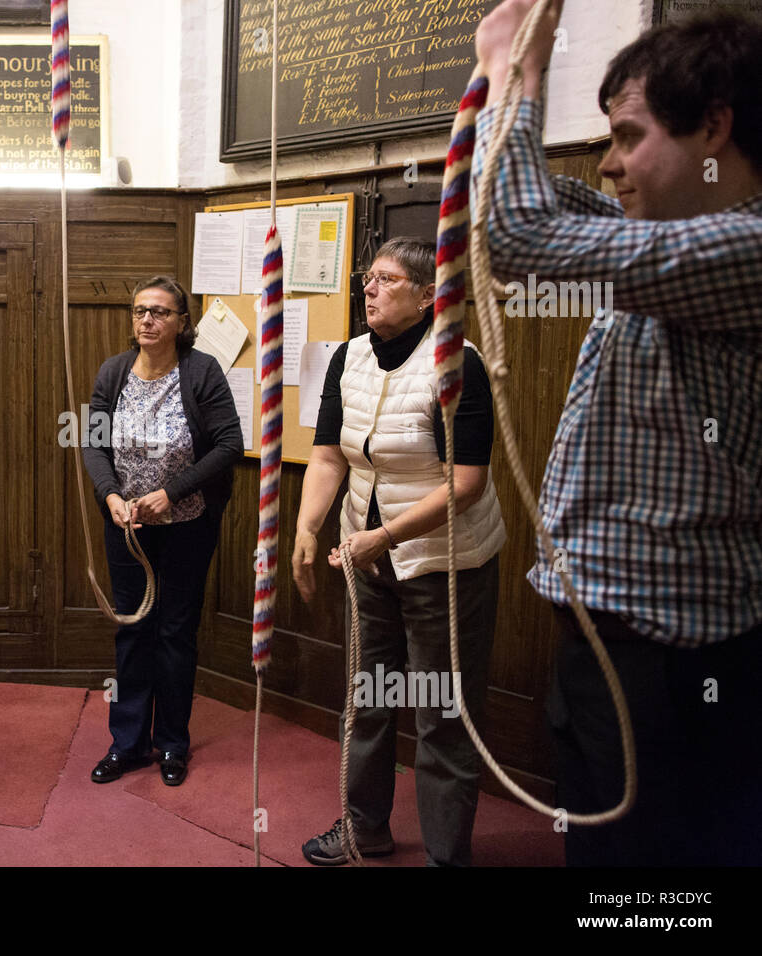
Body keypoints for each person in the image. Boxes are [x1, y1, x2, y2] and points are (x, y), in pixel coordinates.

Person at [474, 1, 762, 865]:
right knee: (610, 876)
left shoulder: (745, 251)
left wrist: (516, 73)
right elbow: (543, 220)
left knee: (662, 891)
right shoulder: (672, 240)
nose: (608, 163)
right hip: (612, 652)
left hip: (677, 667)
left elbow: (519, 234)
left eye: (629, 136)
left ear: (714, 128)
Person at [292, 237, 506, 866]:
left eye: (386, 280)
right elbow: (329, 455)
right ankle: (365, 830)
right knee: (369, 693)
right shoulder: (349, 357)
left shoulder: (456, 365)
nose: (370, 289)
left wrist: (382, 537)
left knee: (441, 709)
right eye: (367, 278)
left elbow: (466, 485)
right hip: (369, 557)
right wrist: (308, 530)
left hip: (446, 563)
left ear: (426, 295)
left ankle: (446, 856)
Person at [81, 276, 242, 786]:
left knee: (174, 632)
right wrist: (110, 496)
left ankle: (171, 742)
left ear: (181, 323)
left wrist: (171, 492)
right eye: (139, 311)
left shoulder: (201, 372)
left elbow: (228, 446)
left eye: (159, 312)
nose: (147, 320)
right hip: (126, 527)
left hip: (186, 525)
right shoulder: (113, 372)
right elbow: (93, 443)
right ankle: (126, 743)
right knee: (132, 629)